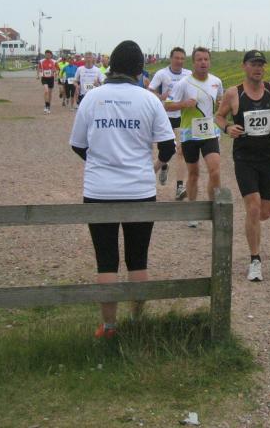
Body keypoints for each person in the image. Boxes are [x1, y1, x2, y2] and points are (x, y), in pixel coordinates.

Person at [69, 40, 176, 339]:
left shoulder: (92, 98)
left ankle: (109, 327)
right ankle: (137, 322)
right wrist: (152, 167)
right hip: (139, 190)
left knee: (106, 260)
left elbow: (77, 144)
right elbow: (168, 147)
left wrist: (99, 162)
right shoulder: (149, 100)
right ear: (140, 69)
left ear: (111, 65)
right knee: (138, 258)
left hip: (99, 190)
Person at [215, 50, 270, 282]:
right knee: (254, 207)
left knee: (265, 212)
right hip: (245, 157)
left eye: (261, 64)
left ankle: (252, 225)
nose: (258, 68)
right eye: (254, 64)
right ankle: (255, 260)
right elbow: (219, 116)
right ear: (244, 66)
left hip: (268, 156)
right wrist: (228, 128)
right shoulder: (233, 93)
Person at [164, 47, 223, 227]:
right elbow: (167, 105)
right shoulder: (183, 83)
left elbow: (221, 101)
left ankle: (215, 209)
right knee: (194, 173)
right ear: (193, 62)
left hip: (210, 132)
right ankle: (192, 211)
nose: (203, 63)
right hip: (190, 134)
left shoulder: (216, 82)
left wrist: (221, 107)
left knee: (215, 171)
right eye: (199, 60)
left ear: (210, 62)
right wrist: (184, 104)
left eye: (206, 59)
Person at [149, 47, 192, 199]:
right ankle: (162, 166)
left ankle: (179, 187)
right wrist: (161, 96)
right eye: (177, 58)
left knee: (181, 150)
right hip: (165, 116)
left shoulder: (189, 74)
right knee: (167, 149)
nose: (179, 61)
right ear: (171, 58)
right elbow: (150, 91)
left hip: (182, 115)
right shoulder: (162, 74)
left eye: (182, 58)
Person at [37, 49, 58, 114]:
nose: (47, 56)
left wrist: (55, 74)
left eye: (49, 55)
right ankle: (46, 106)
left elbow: (57, 69)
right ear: (45, 55)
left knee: (50, 93)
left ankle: (48, 106)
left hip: (51, 78)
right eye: (46, 54)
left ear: (51, 55)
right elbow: (39, 68)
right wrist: (38, 75)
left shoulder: (54, 62)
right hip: (44, 78)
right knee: (46, 91)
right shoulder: (41, 61)